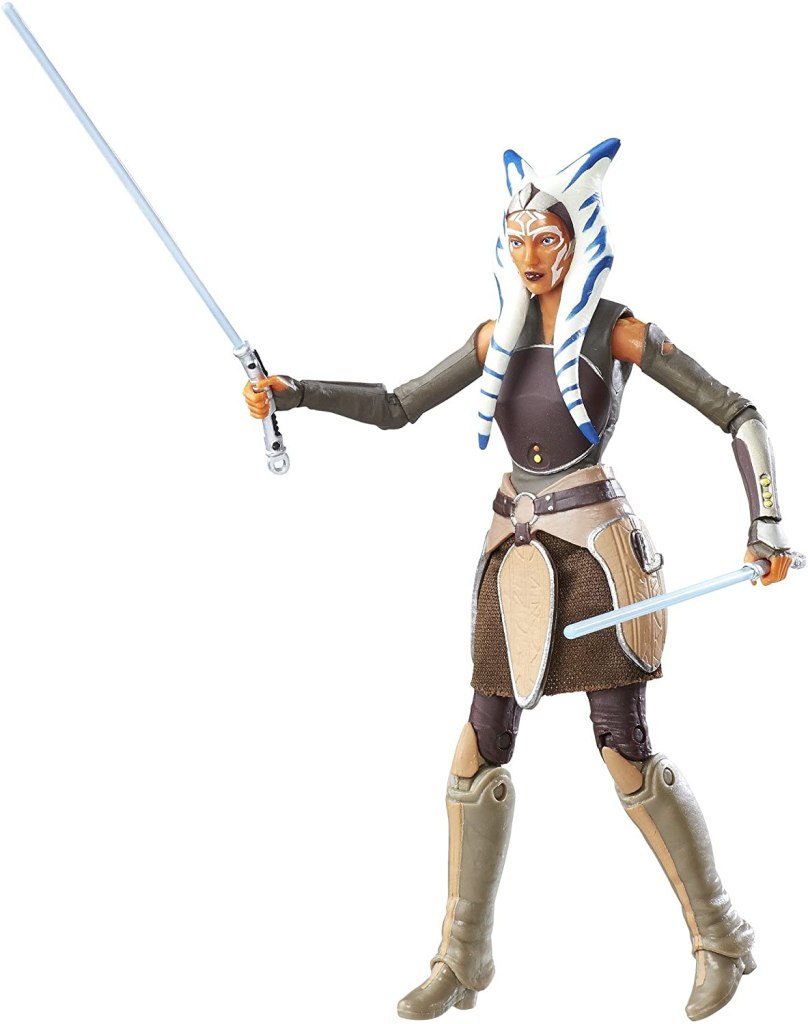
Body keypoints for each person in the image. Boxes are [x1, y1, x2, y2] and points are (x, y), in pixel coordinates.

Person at [242, 139, 793, 1021]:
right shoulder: (494, 337)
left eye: (545, 238)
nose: (529, 254)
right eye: (516, 238)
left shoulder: (617, 330)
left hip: (596, 554)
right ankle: (463, 957)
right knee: (480, 743)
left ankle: (722, 938)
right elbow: (397, 405)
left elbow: (741, 414)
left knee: (622, 748)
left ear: (576, 242)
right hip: (513, 553)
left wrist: (766, 524)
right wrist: (296, 391)